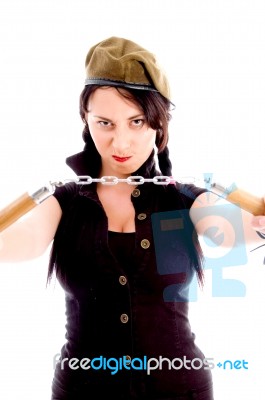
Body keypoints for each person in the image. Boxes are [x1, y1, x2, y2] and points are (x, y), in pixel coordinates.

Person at [0, 36, 264, 400]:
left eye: (136, 121)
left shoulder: (184, 199)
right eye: (104, 123)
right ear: (86, 120)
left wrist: (258, 225)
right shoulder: (63, 202)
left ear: (158, 123)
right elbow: (22, 239)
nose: (120, 143)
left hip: (179, 389)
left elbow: (228, 230)